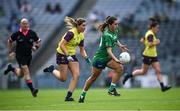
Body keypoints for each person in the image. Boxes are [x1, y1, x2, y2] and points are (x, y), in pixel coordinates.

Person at [78, 16, 129, 103]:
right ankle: (83, 94)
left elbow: (115, 39)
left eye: (117, 24)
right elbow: (109, 51)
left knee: (120, 68)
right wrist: (116, 59)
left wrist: (120, 45)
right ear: (110, 25)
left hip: (107, 59)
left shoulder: (115, 31)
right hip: (100, 59)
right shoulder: (107, 35)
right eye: (115, 24)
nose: (117, 26)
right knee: (93, 78)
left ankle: (111, 89)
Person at [43, 16, 91, 101]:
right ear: (78, 26)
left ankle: (68, 96)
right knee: (63, 78)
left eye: (85, 25)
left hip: (71, 55)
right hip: (62, 54)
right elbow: (61, 45)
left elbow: (82, 50)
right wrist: (67, 55)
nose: (84, 27)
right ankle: (52, 69)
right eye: (83, 25)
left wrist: (87, 59)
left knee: (76, 75)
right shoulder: (71, 33)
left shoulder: (81, 35)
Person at [123, 18, 171, 92]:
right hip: (147, 55)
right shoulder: (150, 34)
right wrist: (156, 42)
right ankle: (129, 75)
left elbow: (142, 40)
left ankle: (162, 86)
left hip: (153, 55)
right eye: (157, 27)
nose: (158, 29)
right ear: (153, 27)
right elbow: (149, 44)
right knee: (143, 72)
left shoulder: (149, 33)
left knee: (158, 70)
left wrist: (144, 40)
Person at [4, 18, 41, 97]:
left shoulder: (32, 33)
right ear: (21, 25)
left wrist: (36, 47)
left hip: (28, 56)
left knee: (21, 74)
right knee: (26, 72)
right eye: (23, 23)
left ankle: (11, 68)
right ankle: (33, 90)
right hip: (20, 56)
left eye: (26, 23)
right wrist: (10, 52)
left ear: (28, 24)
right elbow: (9, 41)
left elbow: (39, 41)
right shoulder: (17, 34)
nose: (25, 25)